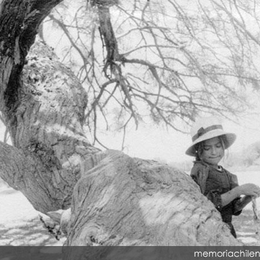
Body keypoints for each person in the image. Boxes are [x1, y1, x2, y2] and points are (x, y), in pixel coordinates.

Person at [186, 116, 260, 238]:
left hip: (227, 231)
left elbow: (234, 209)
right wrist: (238, 190)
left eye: (218, 146)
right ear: (198, 151)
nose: (214, 152)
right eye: (207, 148)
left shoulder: (228, 175)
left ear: (223, 146)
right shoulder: (200, 170)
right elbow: (206, 203)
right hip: (208, 231)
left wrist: (248, 196)